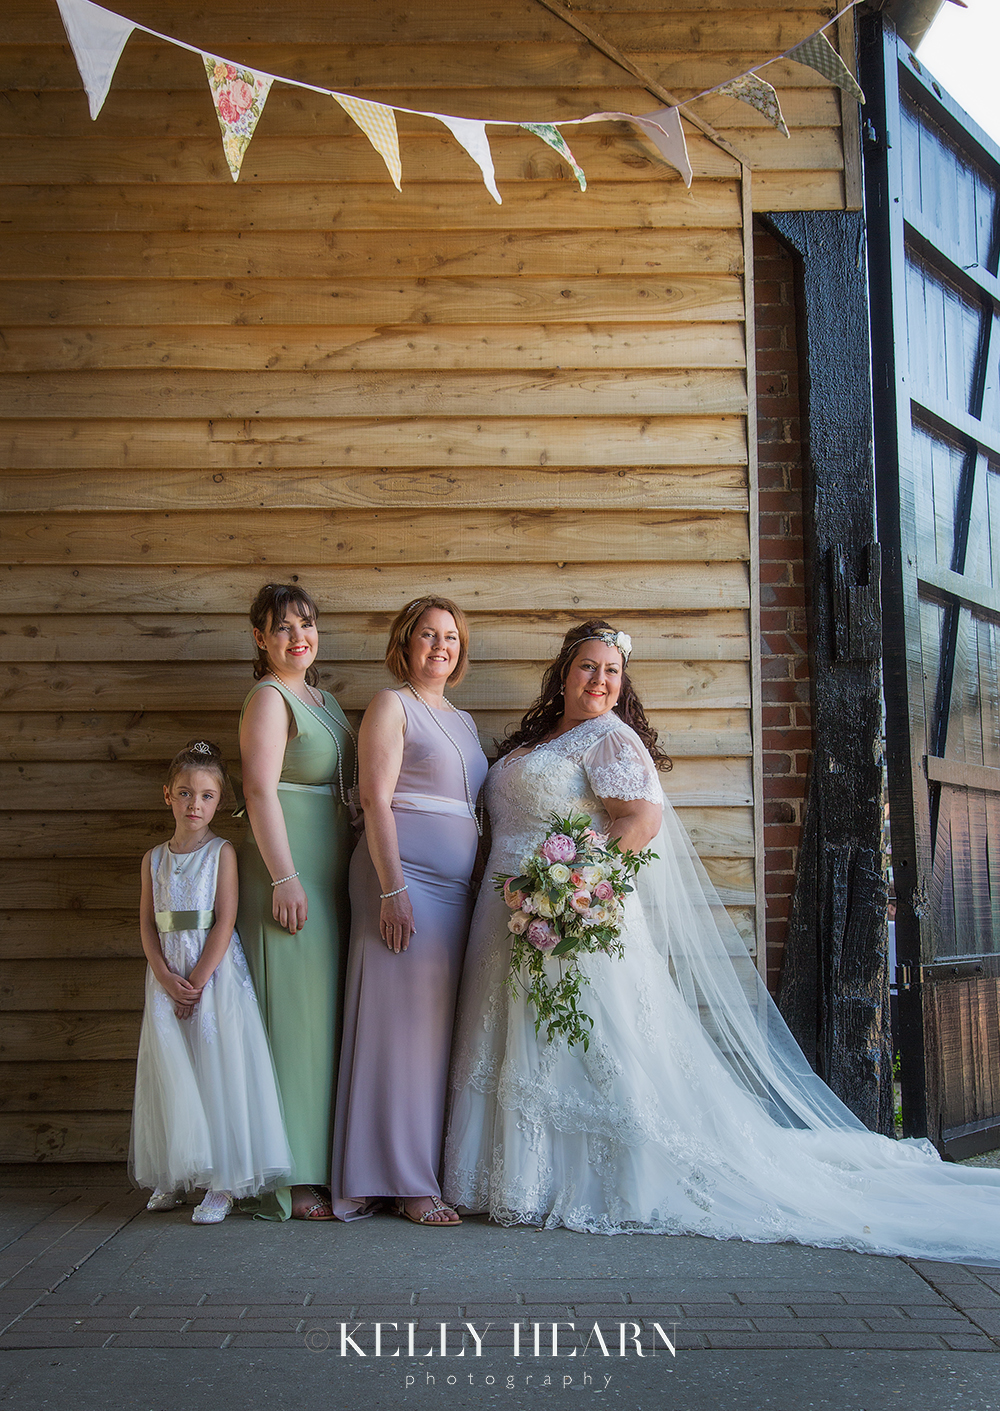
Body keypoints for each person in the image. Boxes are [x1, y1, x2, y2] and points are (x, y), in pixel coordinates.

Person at [444, 620, 1000, 1263]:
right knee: (507, 1034)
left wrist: (577, 894)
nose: (600, 681)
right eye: (588, 667)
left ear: (622, 684)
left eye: (612, 672)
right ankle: (503, 1173)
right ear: (563, 673)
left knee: (574, 1042)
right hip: (504, 910)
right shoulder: (538, 741)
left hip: (569, 911)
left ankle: (581, 1178)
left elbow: (640, 823)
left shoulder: (611, 739)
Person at [331, 597, 488, 1225]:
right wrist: (393, 888)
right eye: (428, 635)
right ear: (405, 643)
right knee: (396, 1029)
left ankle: (391, 1168)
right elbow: (376, 798)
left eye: (450, 637)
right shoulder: (390, 705)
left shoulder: (464, 719)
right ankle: (405, 1181)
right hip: (400, 880)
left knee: (428, 1033)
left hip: (451, 893)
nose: (441, 646)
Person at [129, 740, 291, 1222]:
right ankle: (176, 1175)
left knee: (216, 1068)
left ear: (220, 801)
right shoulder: (153, 859)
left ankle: (223, 1182)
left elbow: (224, 920)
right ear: (167, 796)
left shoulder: (222, 853)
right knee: (173, 1070)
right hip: (166, 974)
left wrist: (197, 980)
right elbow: (145, 922)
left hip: (212, 972)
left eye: (206, 795)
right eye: (184, 793)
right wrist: (163, 973)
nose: (194, 804)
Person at [237, 583, 356, 1221]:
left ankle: (324, 1158)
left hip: (330, 868)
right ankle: (289, 1175)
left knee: (323, 1018)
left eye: (306, 624)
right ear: (261, 638)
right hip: (287, 872)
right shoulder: (268, 697)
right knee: (293, 1020)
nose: (297, 637)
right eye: (282, 628)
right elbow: (259, 791)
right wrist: (284, 877)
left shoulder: (325, 699)